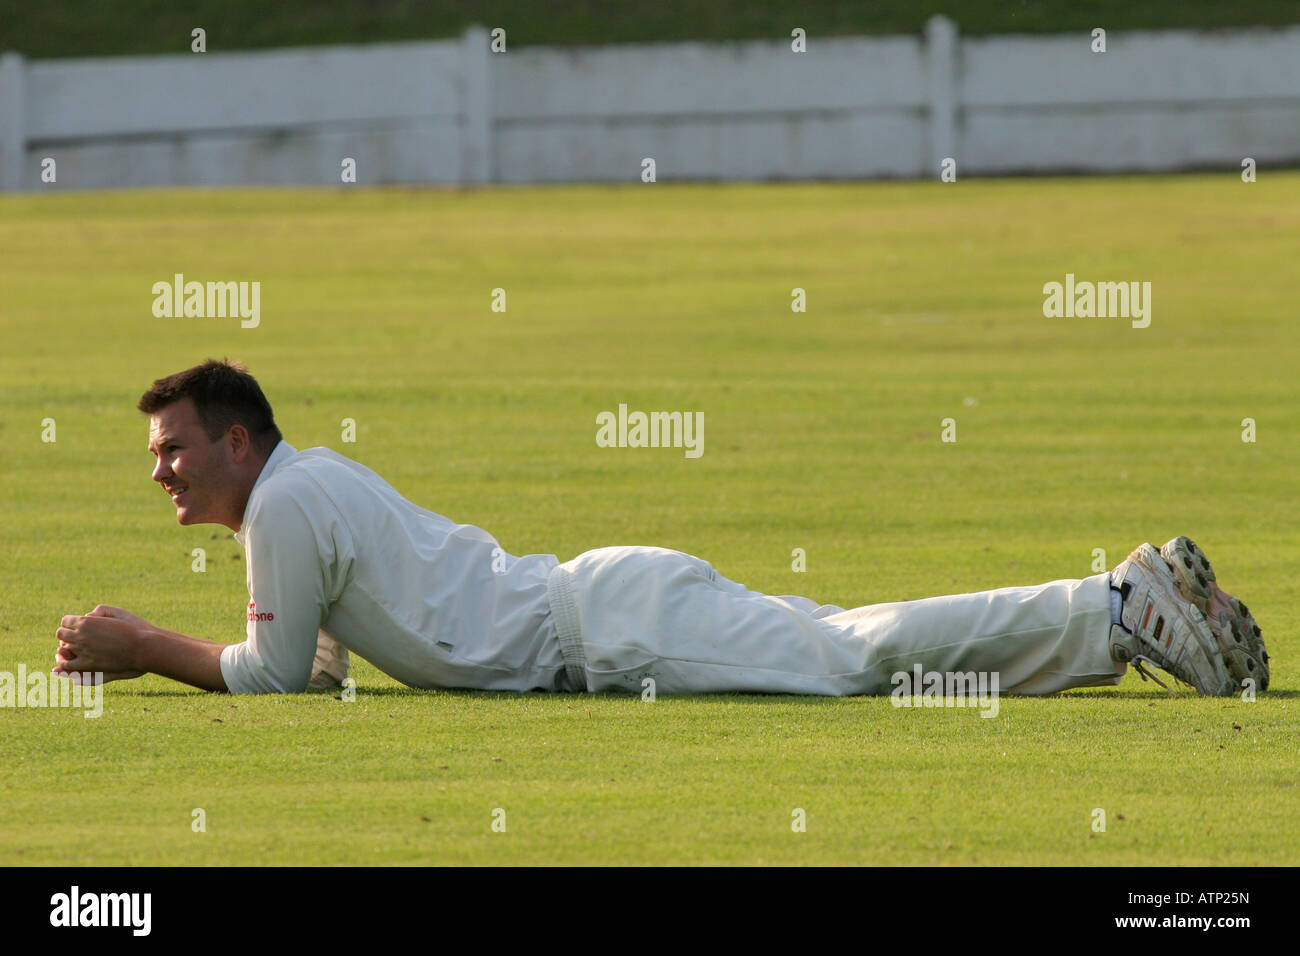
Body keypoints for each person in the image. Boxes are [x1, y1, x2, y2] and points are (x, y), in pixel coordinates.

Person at [54, 359, 1269, 699]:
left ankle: (1114, 605)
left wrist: (139, 642)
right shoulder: (301, 487)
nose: (159, 471)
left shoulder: (286, 499)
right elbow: (312, 662)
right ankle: (1136, 621)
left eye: (174, 446)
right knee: (853, 650)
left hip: (607, 628)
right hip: (607, 604)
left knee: (848, 656)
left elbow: (271, 676)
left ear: (238, 441)